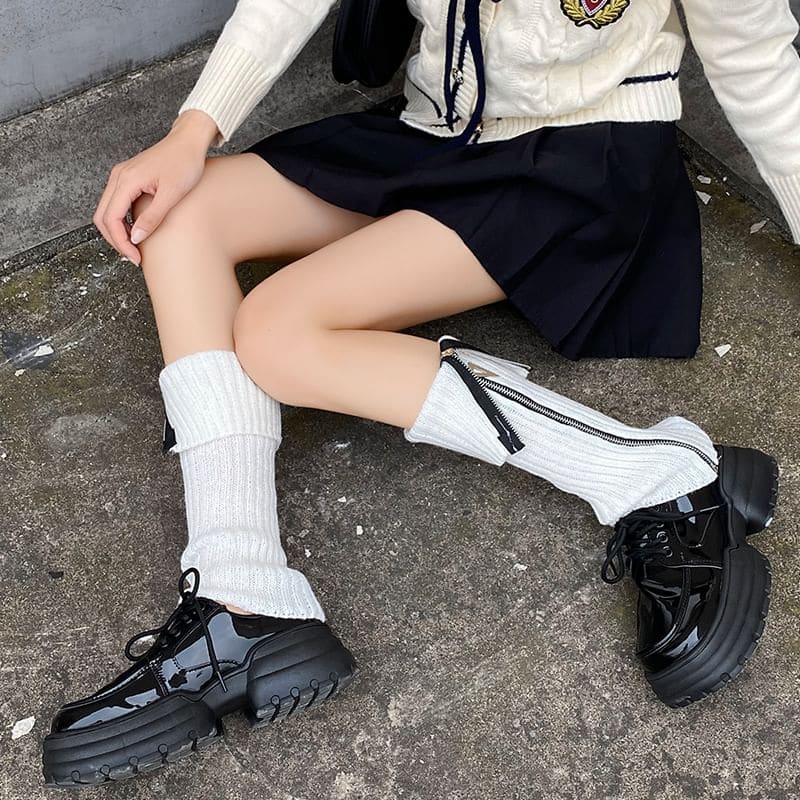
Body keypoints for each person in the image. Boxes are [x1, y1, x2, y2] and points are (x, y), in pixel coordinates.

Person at [42, 0, 796, 788]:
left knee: (277, 335)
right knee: (174, 215)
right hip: (434, 137)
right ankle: (241, 595)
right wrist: (192, 130)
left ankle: (651, 473)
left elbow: (761, 72)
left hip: (577, 164)